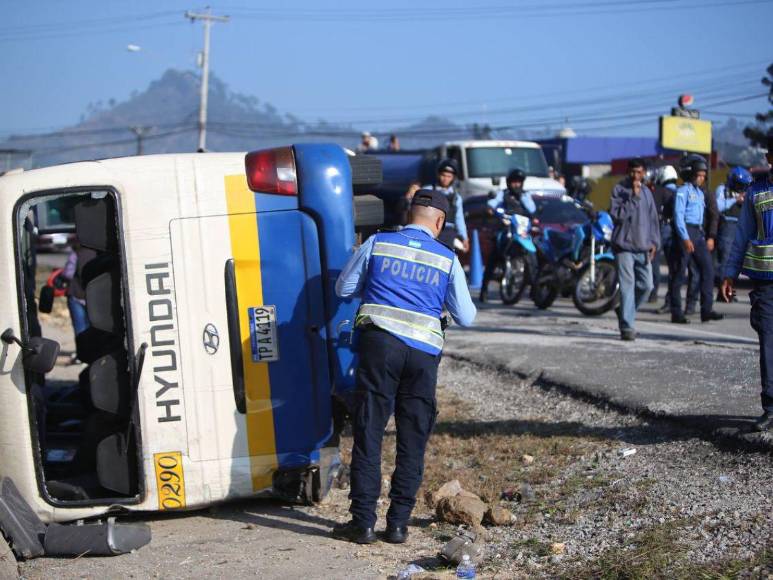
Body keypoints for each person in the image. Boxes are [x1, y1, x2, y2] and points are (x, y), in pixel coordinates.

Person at [333, 189, 476, 544]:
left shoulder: (379, 244)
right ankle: (397, 525)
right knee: (412, 439)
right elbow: (467, 316)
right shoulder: (447, 258)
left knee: (369, 433)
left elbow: (343, 288)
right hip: (423, 356)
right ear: (440, 222)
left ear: (409, 213)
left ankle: (362, 524)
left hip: (380, 348)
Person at [721, 132, 773, 431]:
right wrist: (729, 272)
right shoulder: (756, 192)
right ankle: (770, 407)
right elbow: (741, 236)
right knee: (768, 342)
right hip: (765, 283)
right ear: (769, 158)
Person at [609, 158, 660, 340]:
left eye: (639, 172)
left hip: (643, 246)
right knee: (627, 287)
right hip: (624, 246)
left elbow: (653, 220)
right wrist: (633, 198)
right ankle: (627, 327)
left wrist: (655, 242)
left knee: (647, 286)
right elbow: (617, 216)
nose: (635, 176)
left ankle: (625, 311)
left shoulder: (647, 192)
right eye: (632, 172)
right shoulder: (619, 190)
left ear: (644, 173)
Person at [669, 154, 723, 323]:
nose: (702, 178)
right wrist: (685, 238)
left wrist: (709, 236)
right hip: (685, 232)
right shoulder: (682, 191)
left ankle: (706, 310)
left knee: (708, 270)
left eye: (703, 176)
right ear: (690, 174)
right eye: (699, 175)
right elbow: (678, 216)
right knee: (679, 274)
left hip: (698, 234)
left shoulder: (700, 193)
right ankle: (676, 312)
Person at [479, 168, 536, 302]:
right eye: (514, 182)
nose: (516, 185)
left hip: (521, 231)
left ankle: (534, 288)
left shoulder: (526, 195)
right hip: (505, 229)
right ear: (509, 182)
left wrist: (522, 197)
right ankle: (484, 289)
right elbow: (493, 203)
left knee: (533, 255)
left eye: (519, 182)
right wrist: (490, 208)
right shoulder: (503, 194)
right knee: (494, 257)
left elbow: (532, 209)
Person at [715, 166, 753, 301]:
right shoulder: (723, 190)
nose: (741, 188)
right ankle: (722, 293)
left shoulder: (747, 192)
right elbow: (718, 206)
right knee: (725, 261)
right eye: (739, 184)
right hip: (728, 227)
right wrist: (735, 200)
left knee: (737, 262)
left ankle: (729, 291)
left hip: (742, 228)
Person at [420, 159, 469, 252]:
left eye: (449, 176)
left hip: (448, 233)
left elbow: (459, 219)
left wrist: (464, 237)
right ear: (438, 175)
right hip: (429, 230)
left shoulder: (456, 197)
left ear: (453, 178)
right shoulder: (427, 191)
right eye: (443, 175)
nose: (445, 179)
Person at [652, 165, 678, 309]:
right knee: (674, 267)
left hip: (661, 228)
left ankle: (653, 292)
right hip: (678, 231)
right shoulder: (680, 191)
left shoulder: (659, 191)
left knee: (654, 260)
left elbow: (653, 211)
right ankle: (671, 300)